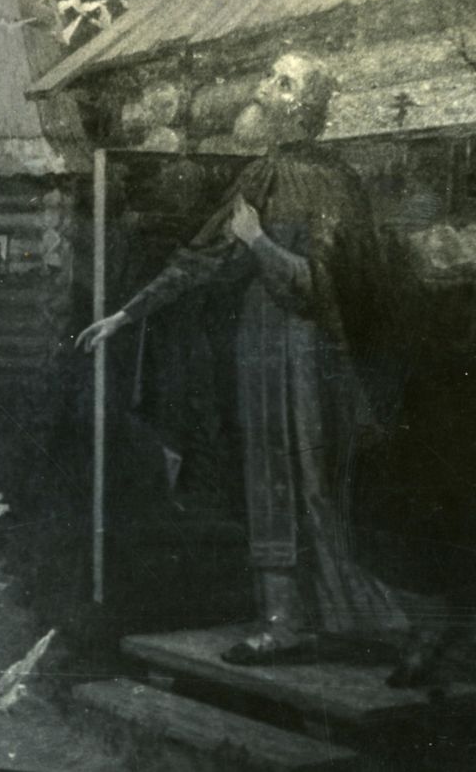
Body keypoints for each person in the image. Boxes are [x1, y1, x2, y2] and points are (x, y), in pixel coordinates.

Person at [77, 52, 407, 663]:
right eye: (268, 74)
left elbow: (321, 286)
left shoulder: (334, 182)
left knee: (307, 484)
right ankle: (283, 620)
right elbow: (202, 258)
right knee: (263, 479)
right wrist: (128, 313)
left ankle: (342, 617)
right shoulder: (260, 173)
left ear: (304, 106)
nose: (262, 87)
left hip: (307, 358)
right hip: (260, 353)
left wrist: (258, 242)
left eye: (282, 81)